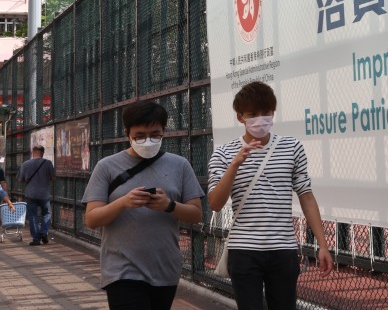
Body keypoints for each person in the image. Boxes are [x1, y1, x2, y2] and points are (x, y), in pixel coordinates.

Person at [208, 81, 332, 310]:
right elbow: (215, 203)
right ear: (240, 117)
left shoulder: (291, 147)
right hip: (243, 250)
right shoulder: (224, 153)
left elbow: (306, 195)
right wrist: (235, 164)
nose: (260, 119)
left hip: (283, 248)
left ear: (273, 113)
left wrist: (322, 245)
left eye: (266, 113)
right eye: (252, 114)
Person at [82, 101, 204, 310]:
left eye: (155, 134)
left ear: (164, 131)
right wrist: (123, 202)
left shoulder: (180, 165)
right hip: (121, 270)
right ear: (127, 133)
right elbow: (91, 219)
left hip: (165, 268)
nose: (147, 141)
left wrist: (169, 205)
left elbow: (196, 214)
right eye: (140, 135)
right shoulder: (107, 166)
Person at [18, 145, 54, 245]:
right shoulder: (48, 163)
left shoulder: (25, 164)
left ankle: (36, 239)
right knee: (46, 214)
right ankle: (43, 232)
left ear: (32, 152)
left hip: (30, 194)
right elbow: (53, 178)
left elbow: (20, 179)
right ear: (43, 153)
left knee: (32, 216)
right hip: (44, 194)